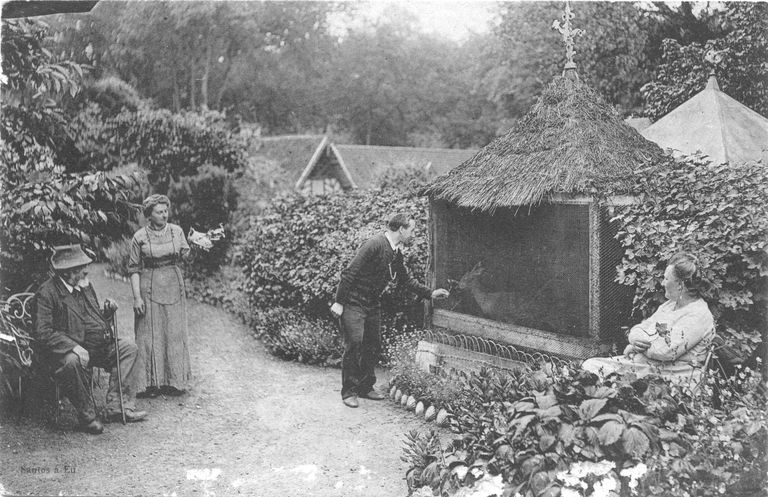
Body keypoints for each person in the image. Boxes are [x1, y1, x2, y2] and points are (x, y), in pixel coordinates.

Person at [331, 213, 450, 408]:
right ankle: (349, 391)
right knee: (354, 343)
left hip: (372, 304)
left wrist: (431, 293)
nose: (413, 234)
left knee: (373, 344)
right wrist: (339, 302)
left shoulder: (396, 253)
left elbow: (405, 280)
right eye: (411, 229)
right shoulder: (374, 244)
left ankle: (365, 387)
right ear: (401, 229)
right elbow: (349, 272)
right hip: (353, 302)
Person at [33, 244, 147, 434]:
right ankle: (87, 417)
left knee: (128, 348)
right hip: (66, 352)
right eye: (81, 268)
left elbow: (92, 319)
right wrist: (73, 347)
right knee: (72, 361)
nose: (87, 271)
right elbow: (42, 332)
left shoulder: (84, 286)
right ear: (69, 272)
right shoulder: (47, 293)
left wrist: (107, 313)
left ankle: (117, 407)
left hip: (94, 347)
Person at [582, 252, 715, 384]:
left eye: (666, 279)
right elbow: (642, 327)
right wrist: (635, 339)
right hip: (649, 367)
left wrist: (636, 347)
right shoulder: (670, 306)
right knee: (591, 366)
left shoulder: (698, 315)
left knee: (594, 371)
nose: (662, 283)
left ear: (680, 284)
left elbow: (664, 351)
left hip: (673, 378)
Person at [128, 194, 191, 397]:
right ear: (149, 214)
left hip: (173, 283)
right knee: (148, 334)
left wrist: (197, 247)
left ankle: (173, 382)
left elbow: (185, 256)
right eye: (159, 212)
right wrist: (137, 297)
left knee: (173, 332)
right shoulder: (139, 237)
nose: (164, 215)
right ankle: (149, 383)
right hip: (148, 286)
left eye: (166, 211)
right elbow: (134, 269)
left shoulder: (176, 232)